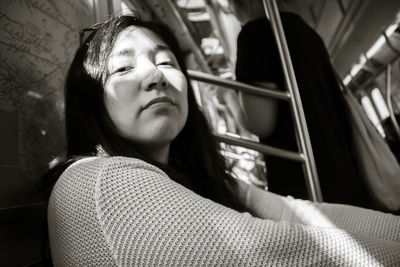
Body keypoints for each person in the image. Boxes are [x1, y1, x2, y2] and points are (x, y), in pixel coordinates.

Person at [44, 15, 400, 266]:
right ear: (90, 100)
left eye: (167, 62)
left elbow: (306, 213)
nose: (156, 76)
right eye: (123, 68)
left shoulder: (197, 179)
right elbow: (278, 250)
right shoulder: (99, 181)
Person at [228, 0, 373, 208]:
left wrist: (228, 97)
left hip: (304, 188)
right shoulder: (309, 34)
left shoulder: (254, 35)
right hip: (347, 177)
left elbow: (260, 122)